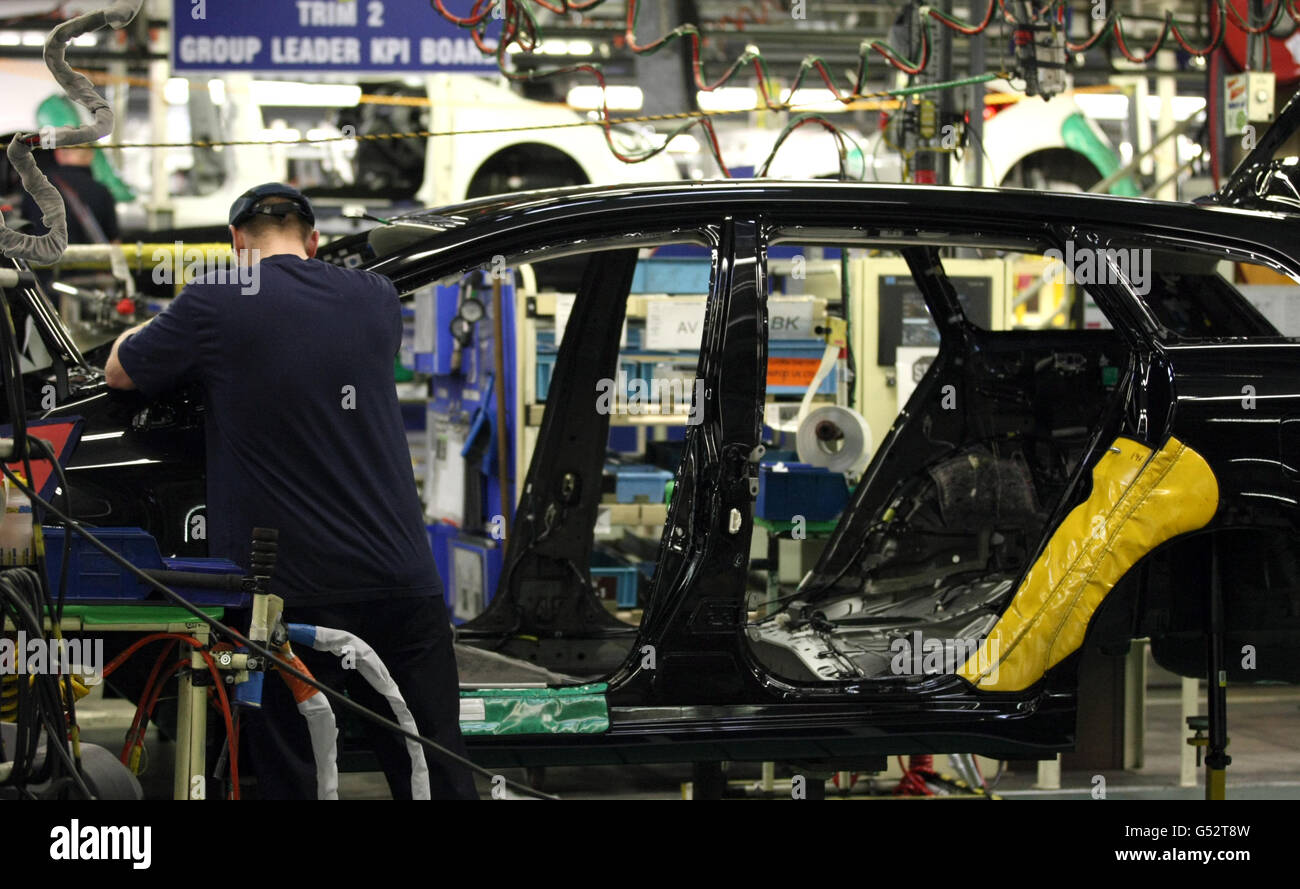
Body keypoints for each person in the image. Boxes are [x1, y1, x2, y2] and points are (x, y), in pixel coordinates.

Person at [103, 183, 477, 800]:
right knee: (432, 760)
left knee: (295, 770)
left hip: (287, 594)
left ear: (234, 243)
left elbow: (121, 371)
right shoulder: (376, 297)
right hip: (399, 577)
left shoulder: (215, 300)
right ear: (314, 240)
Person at [21, 146, 119, 245]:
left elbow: (24, 229)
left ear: (58, 154)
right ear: (90, 156)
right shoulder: (102, 191)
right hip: (90, 259)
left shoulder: (35, 187)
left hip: (43, 257)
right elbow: (113, 242)